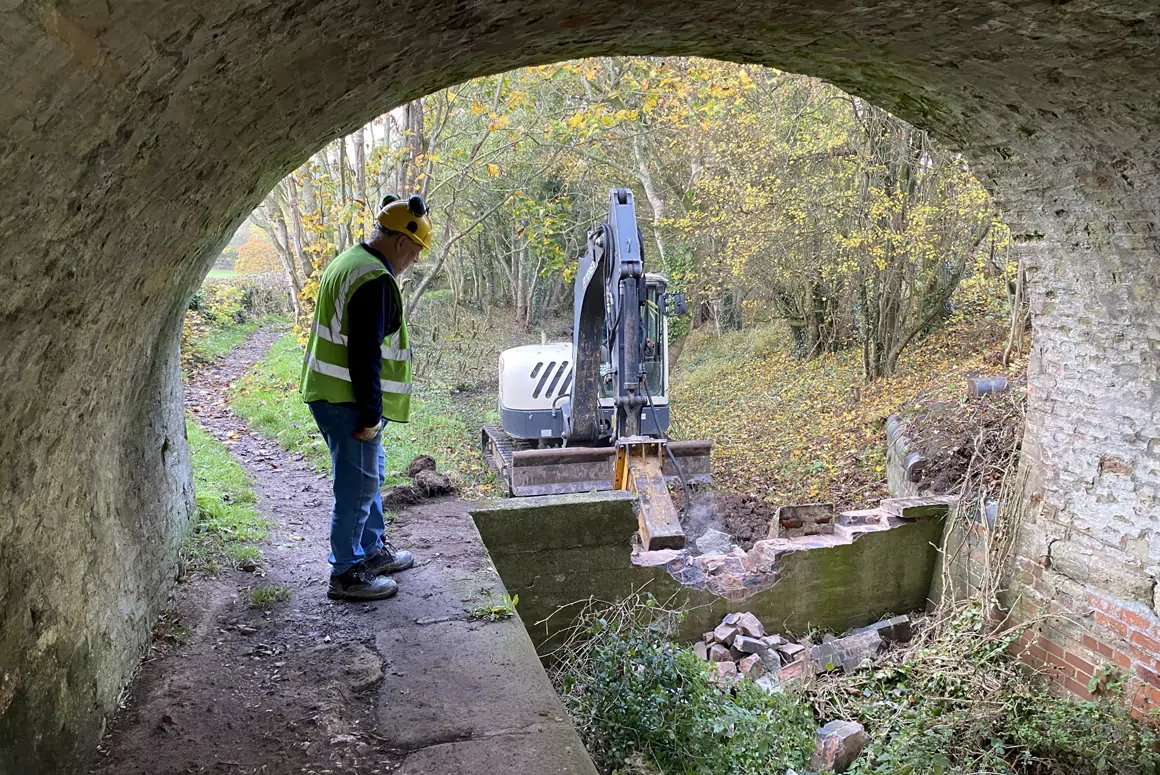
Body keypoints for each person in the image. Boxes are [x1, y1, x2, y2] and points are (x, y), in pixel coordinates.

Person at [299, 194, 432, 601]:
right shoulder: (375, 280)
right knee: (356, 486)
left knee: (369, 475)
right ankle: (346, 572)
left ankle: (371, 551)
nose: (415, 259)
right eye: (416, 251)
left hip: (332, 393)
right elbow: (364, 352)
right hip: (349, 400)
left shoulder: (350, 262)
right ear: (399, 241)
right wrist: (371, 413)